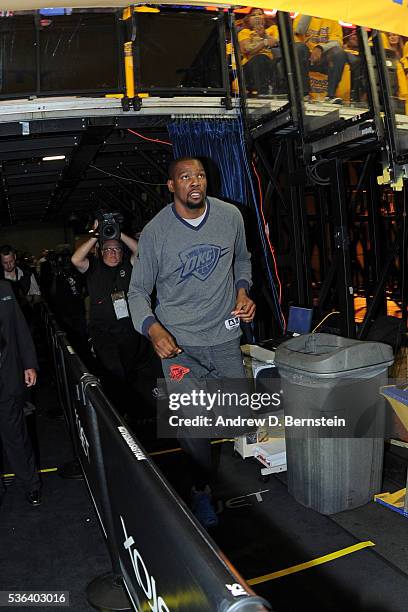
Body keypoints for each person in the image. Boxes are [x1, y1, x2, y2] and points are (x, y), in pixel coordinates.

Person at [128, 157, 255, 528]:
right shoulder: (157, 232)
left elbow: (243, 262)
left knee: (239, 414)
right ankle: (201, 490)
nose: (194, 182)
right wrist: (154, 330)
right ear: (172, 187)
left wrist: (243, 291)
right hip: (178, 343)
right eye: (185, 177)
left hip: (224, 333)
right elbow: (137, 291)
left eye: (199, 175)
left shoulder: (230, 216)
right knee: (191, 422)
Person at [71, 222, 161, 419]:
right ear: (100, 252)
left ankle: (136, 411)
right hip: (103, 333)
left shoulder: (128, 266)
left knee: (133, 372)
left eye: (116, 249)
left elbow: (140, 250)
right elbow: (76, 259)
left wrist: (119, 233)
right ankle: (117, 414)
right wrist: (97, 234)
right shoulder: (93, 267)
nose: (112, 253)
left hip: (130, 332)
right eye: (108, 249)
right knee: (113, 371)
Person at [0, 279, 40, 507]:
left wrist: (29, 363)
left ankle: (30, 484)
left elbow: (19, 327)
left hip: (7, 375)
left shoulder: (4, 289)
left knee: (15, 434)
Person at [294, 15, 348, 103]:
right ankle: (303, 94)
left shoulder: (333, 20)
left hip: (323, 58)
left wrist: (320, 48)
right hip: (305, 57)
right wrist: (308, 12)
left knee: (338, 52)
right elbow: (299, 31)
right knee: (299, 48)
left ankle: (330, 96)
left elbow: (336, 42)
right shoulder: (301, 16)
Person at [0, 245, 41, 322]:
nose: (8, 265)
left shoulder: (27, 274)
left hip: (26, 319)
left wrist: (31, 299)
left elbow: (37, 296)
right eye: (5, 263)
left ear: (15, 257)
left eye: (11, 261)